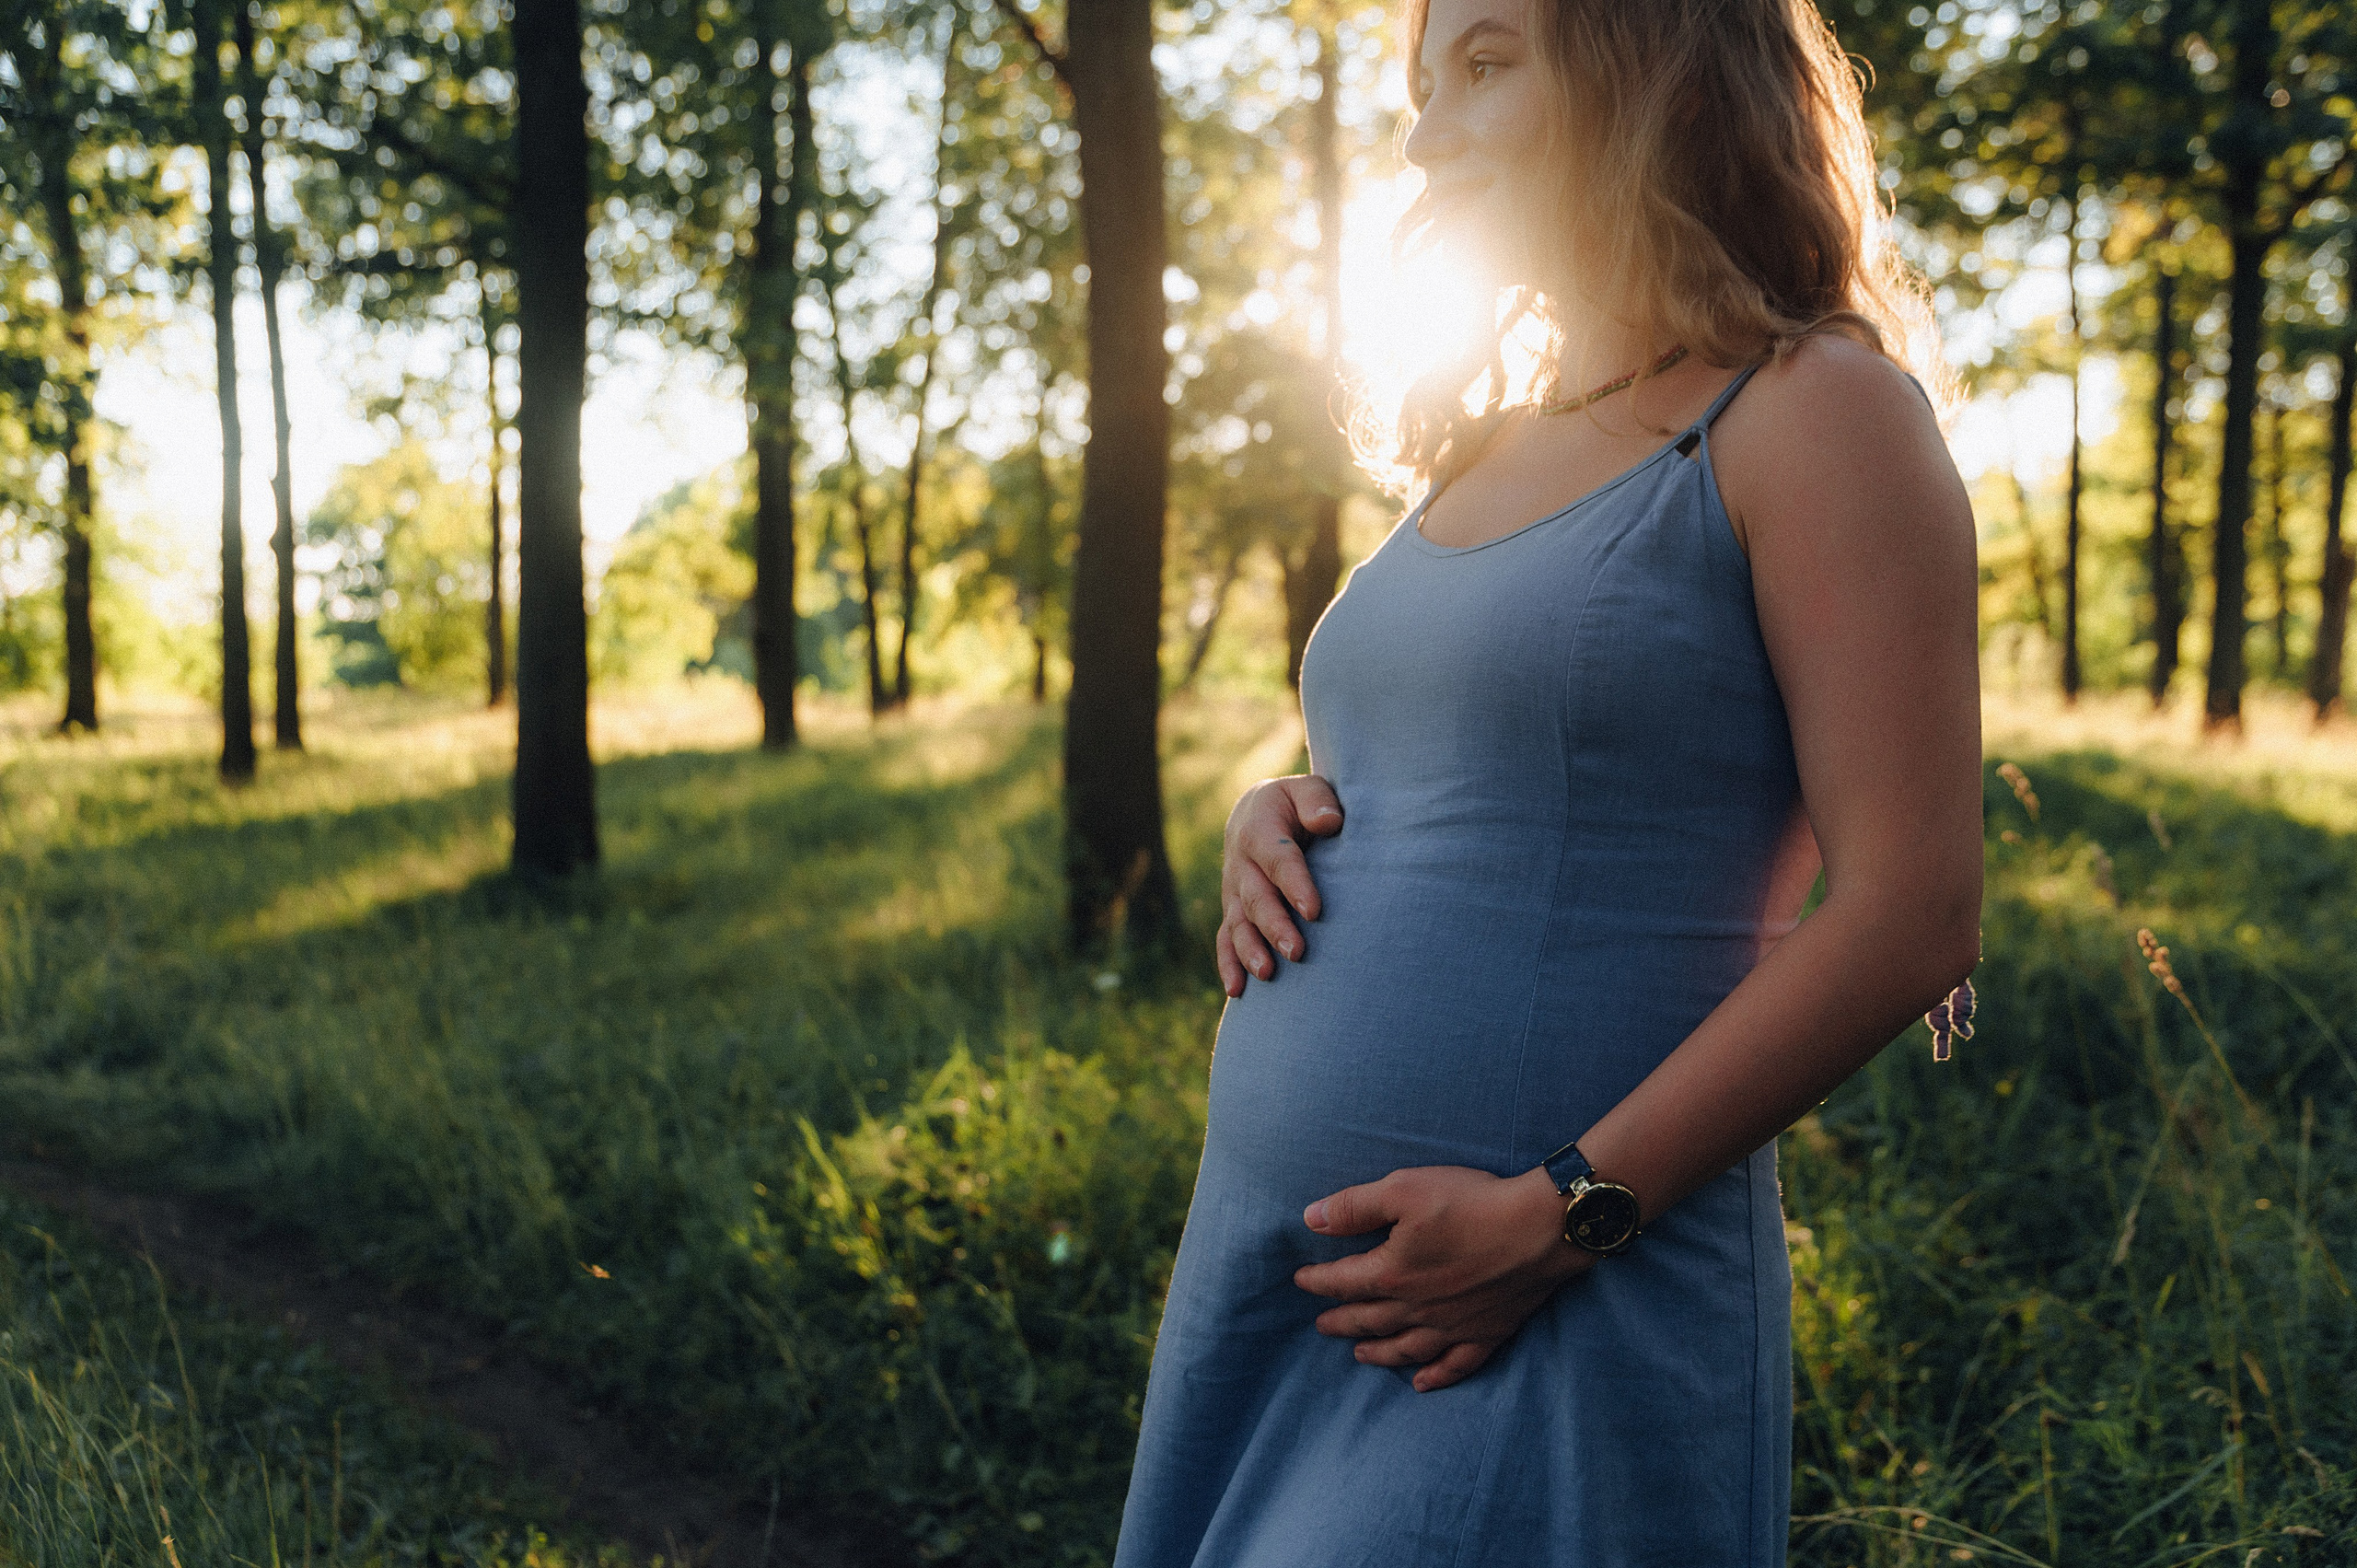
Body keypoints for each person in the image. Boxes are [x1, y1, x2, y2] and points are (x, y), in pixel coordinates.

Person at [1110, 0, 1982, 1562]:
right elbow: (1472, 762)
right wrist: (1286, 810)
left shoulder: (1810, 413)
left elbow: (1913, 914)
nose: (1425, 129)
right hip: (1287, 1287)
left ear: (1655, 67)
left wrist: (1561, 1217)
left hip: (1544, 1302)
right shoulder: (1491, 443)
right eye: (1420, 84)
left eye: (1489, 64)